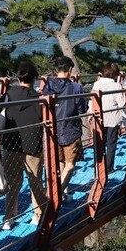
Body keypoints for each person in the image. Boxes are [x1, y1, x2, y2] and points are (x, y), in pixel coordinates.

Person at [0, 62, 46, 228]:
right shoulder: (39, 98)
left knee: (13, 183)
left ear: (18, 78)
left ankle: (8, 217)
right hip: (32, 144)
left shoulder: (8, 95)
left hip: (10, 143)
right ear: (34, 78)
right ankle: (37, 214)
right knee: (35, 181)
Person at [42, 56, 87, 203]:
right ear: (70, 70)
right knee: (70, 164)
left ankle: (59, 193)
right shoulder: (75, 87)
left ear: (56, 70)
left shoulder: (47, 87)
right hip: (70, 129)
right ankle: (56, 193)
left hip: (52, 129)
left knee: (60, 162)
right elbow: (82, 109)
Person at [91, 63, 126, 173]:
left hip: (99, 116)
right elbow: (122, 103)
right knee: (111, 143)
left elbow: (92, 100)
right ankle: (109, 167)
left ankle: (98, 165)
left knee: (99, 142)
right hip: (113, 118)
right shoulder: (116, 86)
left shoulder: (96, 84)